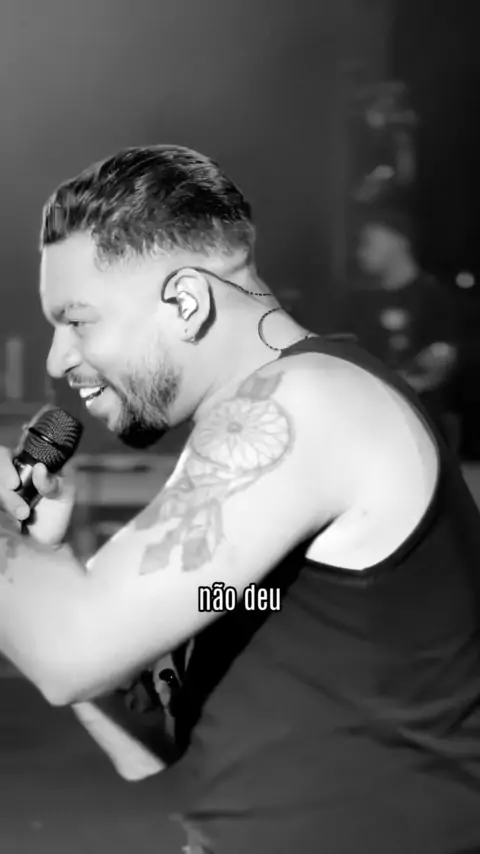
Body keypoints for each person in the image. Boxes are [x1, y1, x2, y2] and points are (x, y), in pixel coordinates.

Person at [1, 146, 480, 854]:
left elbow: (68, 651)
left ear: (185, 302)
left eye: (78, 320)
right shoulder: (250, 433)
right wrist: (42, 555)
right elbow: (143, 737)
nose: (57, 358)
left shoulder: (303, 404)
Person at [351, 209, 460, 446]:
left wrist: (404, 381)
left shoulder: (433, 297)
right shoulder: (357, 302)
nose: (361, 252)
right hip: (367, 424)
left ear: (399, 241)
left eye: (369, 241)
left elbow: (443, 360)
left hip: (421, 429)